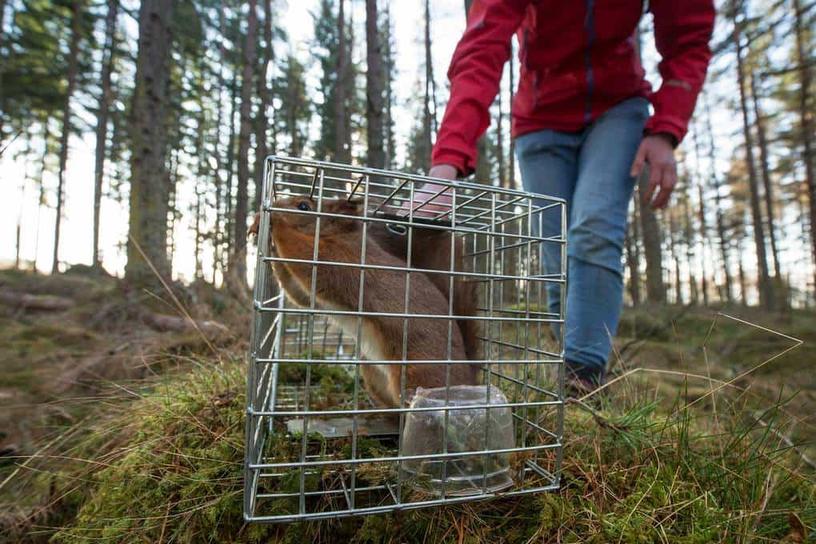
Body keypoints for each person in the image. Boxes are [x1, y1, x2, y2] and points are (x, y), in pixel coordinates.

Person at [418, 1, 715, 393]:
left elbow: (688, 37)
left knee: (593, 229)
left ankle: (583, 377)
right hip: (540, 118)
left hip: (619, 107)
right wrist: (447, 165)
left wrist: (666, 128)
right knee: (557, 252)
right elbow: (482, 47)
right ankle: (572, 357)